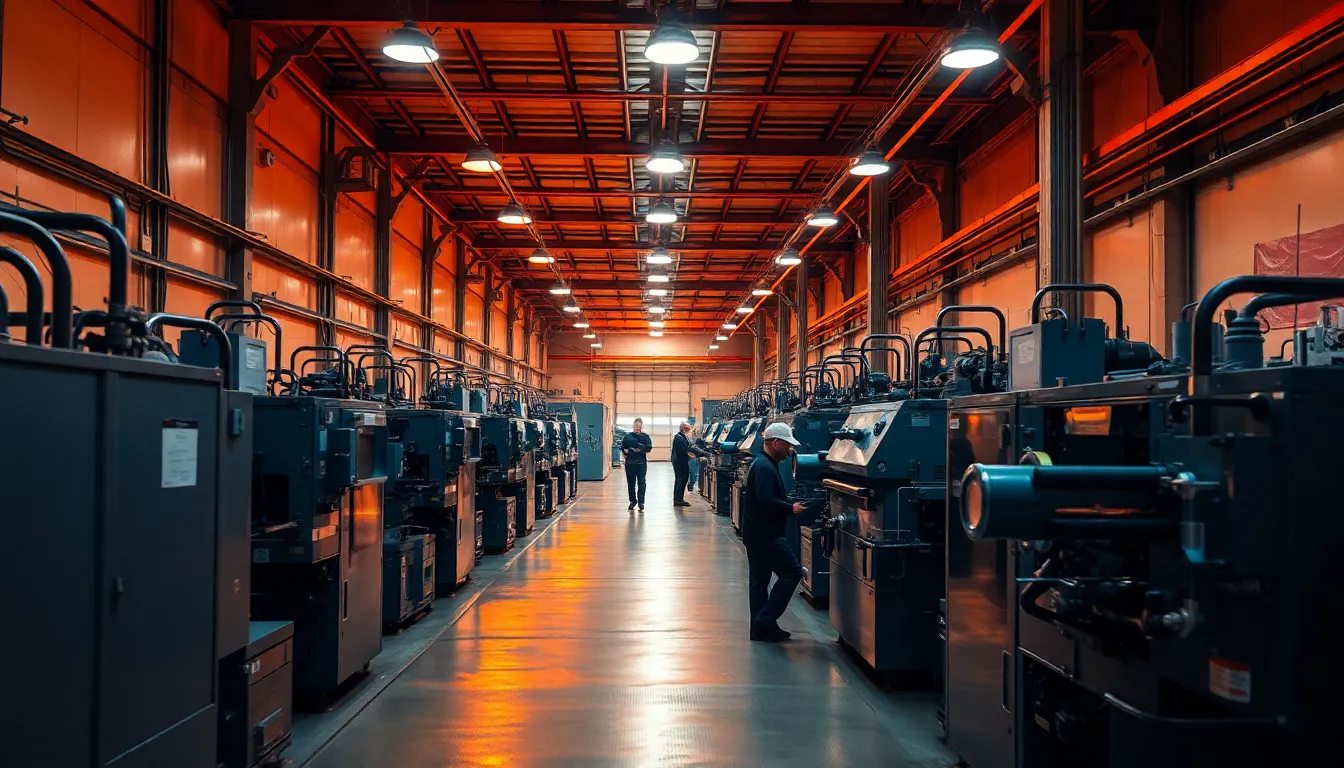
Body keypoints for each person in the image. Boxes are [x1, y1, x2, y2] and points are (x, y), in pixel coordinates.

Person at [741, 422, 808, 642]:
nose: (790, 450)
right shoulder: (765, 467)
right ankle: (766, 619)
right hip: (766, 535)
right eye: (787, 445)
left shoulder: (763, 464)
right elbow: (766, 500)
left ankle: (760, 629)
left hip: (756, 533)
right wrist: (791, 508)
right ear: (776, 443)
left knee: (759, 581)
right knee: (792, 572)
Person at [620, 418, 653, 512]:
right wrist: (626, 452)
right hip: (630, 463)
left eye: (639, 426)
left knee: (641, 483)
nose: (637, 427)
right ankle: (633, 501)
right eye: (636, 425)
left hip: (641, 463)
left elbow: (649, 448)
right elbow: (623, 448)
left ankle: (641, 503)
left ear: (641, 426)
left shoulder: (645, 437)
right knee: (631, 484)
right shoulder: (628, 437)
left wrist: (640, 449)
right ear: (633, 425)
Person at [671, 422, 707, 507]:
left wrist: (700, 453)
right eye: (688, 429)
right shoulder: (679, 438)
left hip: (681, 461)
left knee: (682, 480)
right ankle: (678, 500)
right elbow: (685, 449)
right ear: (684, 429)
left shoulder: (682, 437)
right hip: (680, 462)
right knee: (681, 480)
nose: (689, 431)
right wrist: (694, 454)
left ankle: (679, 499)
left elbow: (689, 447)